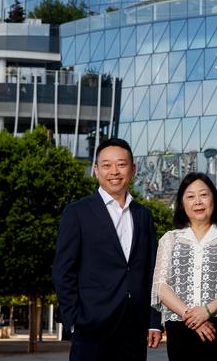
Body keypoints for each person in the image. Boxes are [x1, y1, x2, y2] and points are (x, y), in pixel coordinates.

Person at [52, 138, 162, 361]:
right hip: (91, 327)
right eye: (106, 165)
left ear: (133, 170)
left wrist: (154, 321)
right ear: (96, 170)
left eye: (121, 164)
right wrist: (73, 319)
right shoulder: (77, 212)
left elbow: (152, 273)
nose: (114, 171)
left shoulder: (143, 215)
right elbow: (63, 270)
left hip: (133, 328)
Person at [151, 172, 217, 361]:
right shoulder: (169, 239)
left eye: (204, 195)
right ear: (182, 203)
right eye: (190, 196)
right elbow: (161, 286)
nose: (198, 202)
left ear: (213, 199)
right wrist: (191, 316)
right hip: (180, 326)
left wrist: (206, 311)